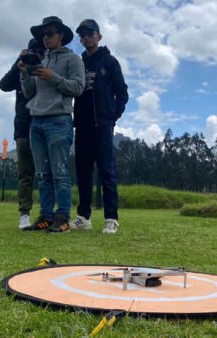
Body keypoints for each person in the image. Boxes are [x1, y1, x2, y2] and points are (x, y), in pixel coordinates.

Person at [18, 16, 85, 233]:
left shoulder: (73, 59)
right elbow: (30, 94)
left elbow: (77, 88)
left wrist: (53, 77)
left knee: (60, 172)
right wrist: (24, 75)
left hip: (59, 121)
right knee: (42, 174)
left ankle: (62, 217)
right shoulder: (43, 61)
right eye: (43, 35)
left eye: (50, 34)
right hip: (36, 121)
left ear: (61, 36)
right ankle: (46, 217)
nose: (45, 38)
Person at [70, 19, 128, 234]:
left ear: (99, 36)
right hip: (82, 126)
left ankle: (111, 218)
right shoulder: (78, 62)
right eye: (82, 35)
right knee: (83, 173)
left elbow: (122, 93)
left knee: (106, 172)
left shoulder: (109, 61)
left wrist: (112, 117)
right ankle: (83, 217)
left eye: (89, 33)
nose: (85, 38)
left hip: (102, 125)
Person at [0, 38, 45, 230]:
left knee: (45, 174)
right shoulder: (20, 68)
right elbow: (3, 85)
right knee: (25, 174)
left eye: (40, 51)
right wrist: (19, 62)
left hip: (44, 124)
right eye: (33, 50)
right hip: (24, 127)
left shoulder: (47, 68)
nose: (36, 54)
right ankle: (24, 214)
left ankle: (47, 213)